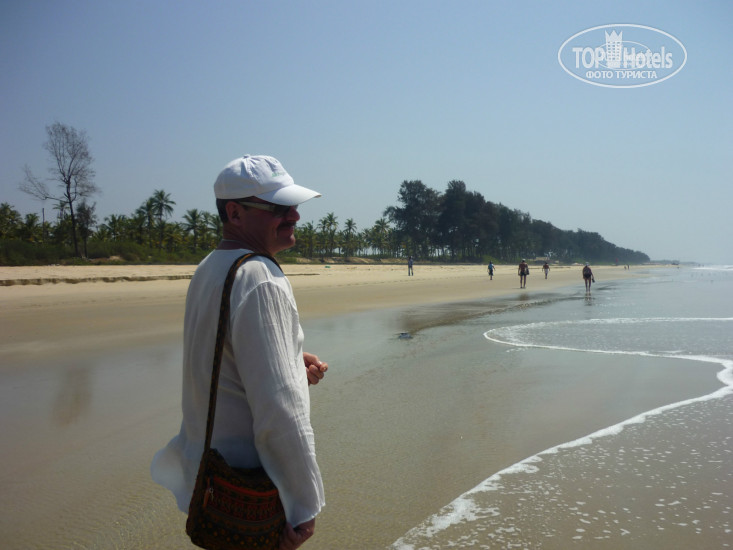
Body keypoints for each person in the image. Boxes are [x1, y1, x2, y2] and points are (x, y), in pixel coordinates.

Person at [151, 155, 327, 550]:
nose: (294, 215)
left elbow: (223, 362)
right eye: (279, 208)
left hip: (210, 483)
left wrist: (290, 360)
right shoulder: (261, 278)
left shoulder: (211, 267)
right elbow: (280, 410)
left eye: (294, 205)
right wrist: (303, 504)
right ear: (234, 213)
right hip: (250, 488)